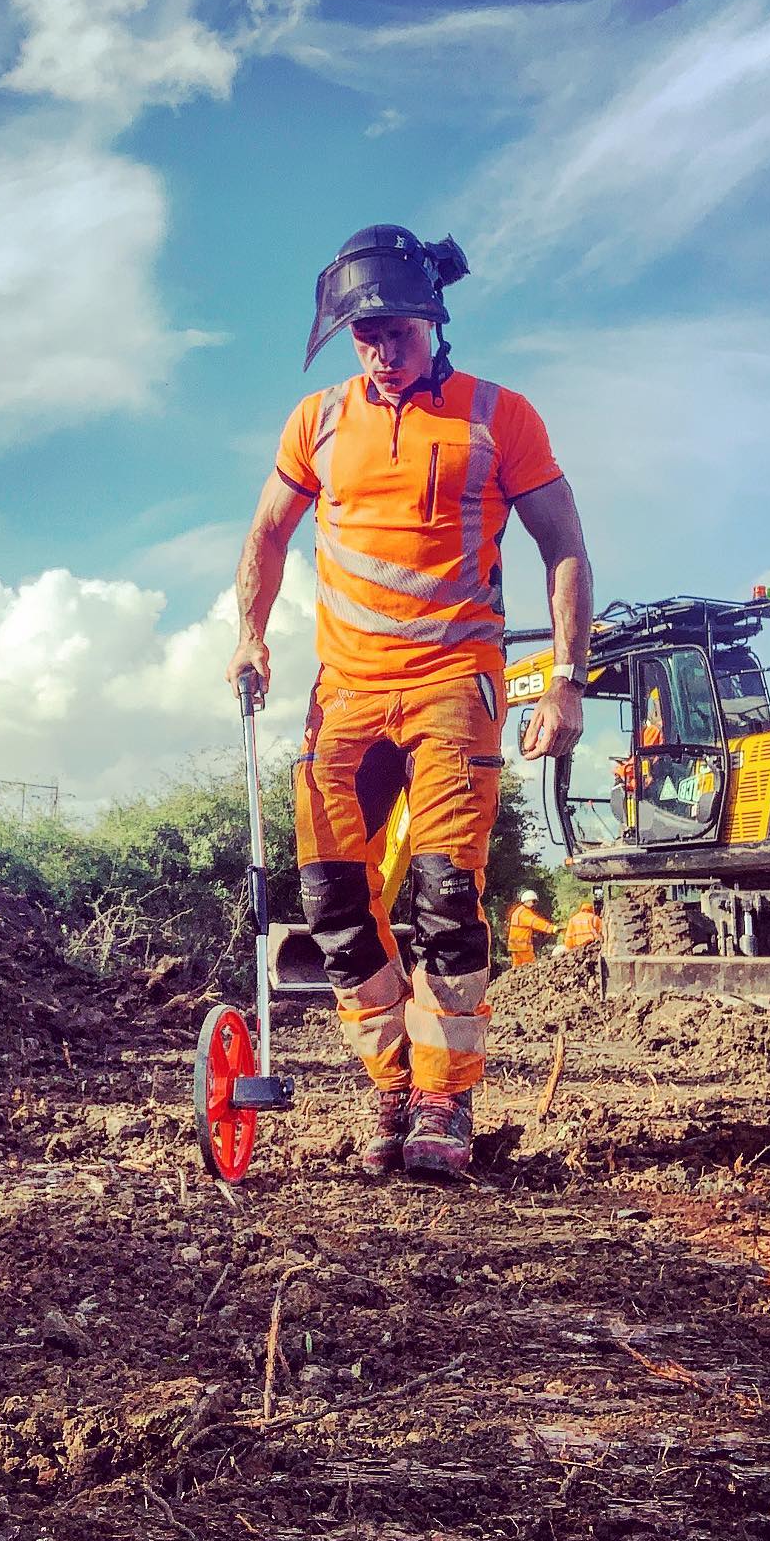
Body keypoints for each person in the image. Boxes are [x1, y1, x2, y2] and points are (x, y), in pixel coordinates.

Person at [224, 223, 592, 1178]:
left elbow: (566, 550)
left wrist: (564, 681)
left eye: (396, 330)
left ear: (433, 318)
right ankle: (391, 1088)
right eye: (364, 336)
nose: (383, 351)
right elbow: (267, 534)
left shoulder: (499, 416)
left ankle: (443, 1101)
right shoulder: (318, 421)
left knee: (444, 897)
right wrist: (251, 635)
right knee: (332, 903)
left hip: (450, 689)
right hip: (342, 694)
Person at [506, 889, 557, 965]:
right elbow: (536, 922)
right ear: (527, 900)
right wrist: (551, 928)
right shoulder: (524, 913)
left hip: (514, 946)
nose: (534, 904)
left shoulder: (518, 911)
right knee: (530, 965)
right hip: (523, 946)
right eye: (533, 901)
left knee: (517, 968)